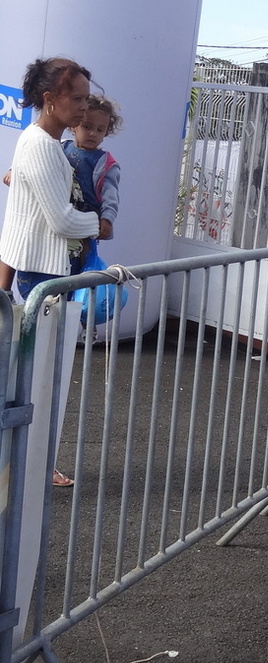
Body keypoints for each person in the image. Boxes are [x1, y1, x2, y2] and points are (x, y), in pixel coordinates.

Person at [0, 57, 99, 489]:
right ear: (49, 99)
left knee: (40, 378)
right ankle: (31, 468)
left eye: (86, 98)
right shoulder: (41, 145)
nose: (83, 107)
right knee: (40, 381)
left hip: (44, 272)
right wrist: (98, 224)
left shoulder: (46, 143)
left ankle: (33, 464)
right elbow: (61, 220)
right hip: (41, 275)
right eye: (76, 98)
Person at [62, 95, 122, 252]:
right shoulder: (61, 147)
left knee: (83, 258)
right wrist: (15, 170)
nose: (93, 133)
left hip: (87, 222)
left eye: (100, 130)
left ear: (106, 132)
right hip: (60, 214)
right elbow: (38, 160)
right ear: (74, 125)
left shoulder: (106, 163)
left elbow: (111, 196)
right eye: (87, 127)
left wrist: (107, 219)